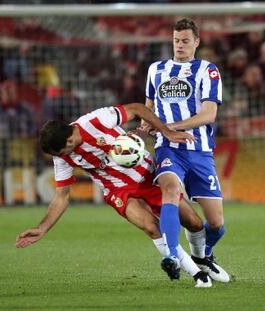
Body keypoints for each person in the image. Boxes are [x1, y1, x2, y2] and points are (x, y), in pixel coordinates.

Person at [15, 103, 213, 288]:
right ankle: (197, 275)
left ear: (69, 140)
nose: (60, 157)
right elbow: (62, 197)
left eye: (61, 152)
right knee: (150, 226)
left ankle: (202, 261)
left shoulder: (95, 121)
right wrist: (42, 229)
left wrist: (166, 131)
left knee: (194, 222)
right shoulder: (63, 157)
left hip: (147, 176)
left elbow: (136, 108)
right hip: (118, 190)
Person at [143, 18, 229, 282]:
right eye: (176, 41)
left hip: (200, 151)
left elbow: (209, 114)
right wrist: (145, 127)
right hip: (168, 149)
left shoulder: (208, 70)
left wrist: (170, 126)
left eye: (185, 41)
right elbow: (149, 110)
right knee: (170, 190)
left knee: (216, 225)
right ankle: (171, 255)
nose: (179, 46)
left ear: (196, 42)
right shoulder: (156, 70)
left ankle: (204, 256)